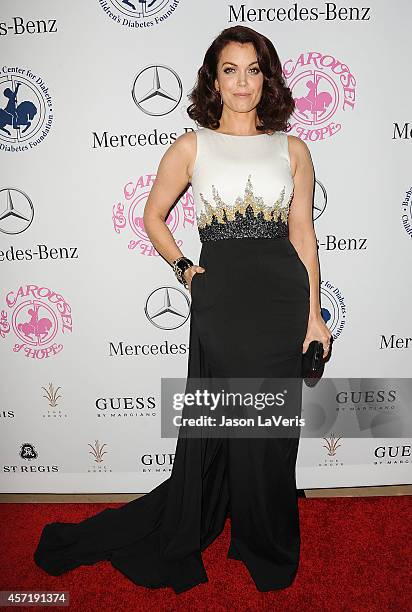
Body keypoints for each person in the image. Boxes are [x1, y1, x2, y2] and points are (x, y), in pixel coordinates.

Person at [33, 25, 332, 594]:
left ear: (265, 77)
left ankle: (262, 540)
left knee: (271, 429)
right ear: (213, 80)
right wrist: (184, 268)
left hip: (282, 299)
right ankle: (218, 524)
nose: (242, 82)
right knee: (230, 420)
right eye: (229, 70)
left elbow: (303, 234)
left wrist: (314, 314)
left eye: (252, 69)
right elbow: (153, 216)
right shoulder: (191, 147)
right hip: (221, 300)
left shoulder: (293, 149)